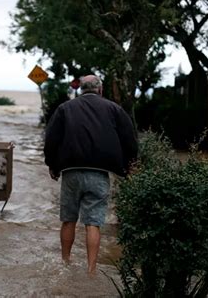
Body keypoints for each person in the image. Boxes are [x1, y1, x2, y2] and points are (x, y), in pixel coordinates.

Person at [44, 74, 138, 275]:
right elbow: (129, 139)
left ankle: (65, 263)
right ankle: (91, 270)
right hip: (99, 173)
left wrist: (52, 165)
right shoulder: (114, 109)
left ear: (80, 89)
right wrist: (130, 165)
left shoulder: (65, 109)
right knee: (93, 223)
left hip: (70, 172)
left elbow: (51, 139)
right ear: (100, 90)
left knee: (68, 220)